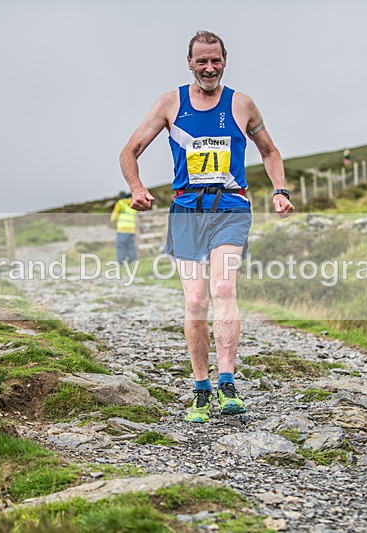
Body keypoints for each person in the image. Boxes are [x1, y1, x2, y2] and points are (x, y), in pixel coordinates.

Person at [119, 30, 294, 423]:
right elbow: (129, 151)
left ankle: (228, 381)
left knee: (223, 287)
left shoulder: (242, 104)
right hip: (185, 211)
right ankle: (201, 388)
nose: (209, 68)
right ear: (190, 63)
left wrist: (279, 189)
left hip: (231, 206)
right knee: (196, 302)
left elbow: (270, 150)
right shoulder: (169, 103)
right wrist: (136, 187)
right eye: (202, 61)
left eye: (216, 60)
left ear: (225, 60)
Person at [110, 192, 137, 263]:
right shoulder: (133, 203)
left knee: (121, 246)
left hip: (122, 229)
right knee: (131, 246)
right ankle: (132, 261)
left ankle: (121, 262)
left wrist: (113, 221)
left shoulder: (121, 203)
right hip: (132, 229)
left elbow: (113, 217)